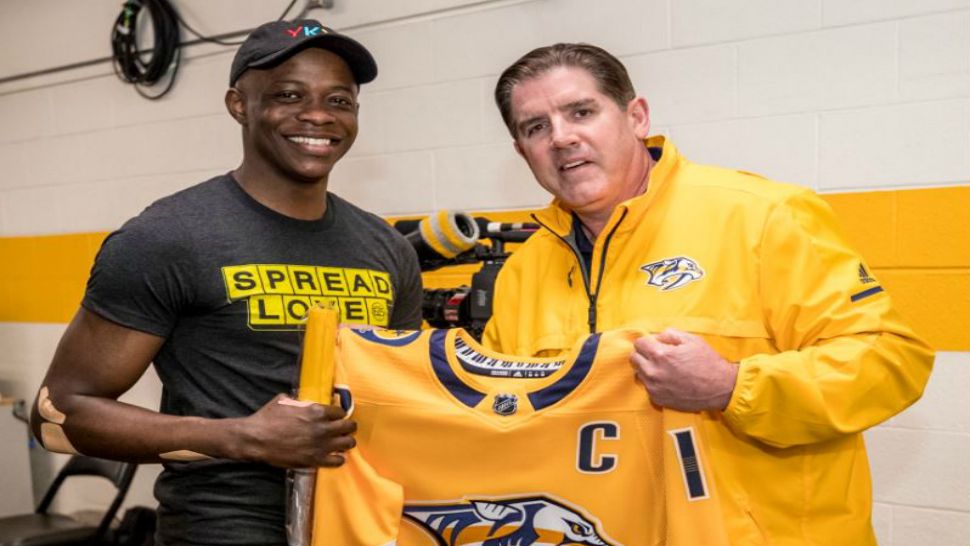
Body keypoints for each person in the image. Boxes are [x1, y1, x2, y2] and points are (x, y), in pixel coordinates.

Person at [483, 43, 935, 545]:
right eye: (536, 127)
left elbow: (891, 360)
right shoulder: (522, 272)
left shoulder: (762, 216)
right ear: (523, 151)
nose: (562, 138)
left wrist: (731, 385)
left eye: (581, 112)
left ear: (637, 117)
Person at [30, 19, 422, 546]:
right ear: (239, 104)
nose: (318, 116)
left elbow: (403, 401)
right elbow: (57, 415)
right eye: (288, 95)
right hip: (223, 530)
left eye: (340, 101)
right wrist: (240, 437)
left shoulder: (386, 249)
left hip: (361, 526)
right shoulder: (170, 237)